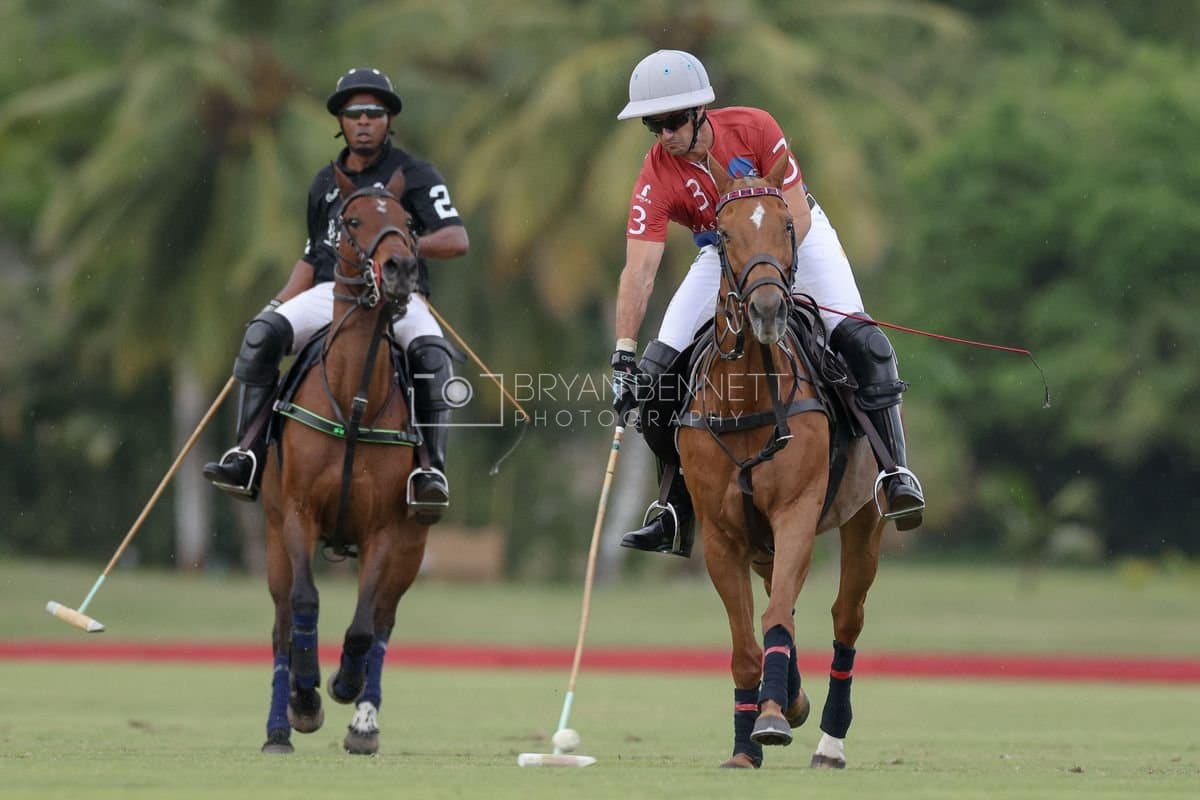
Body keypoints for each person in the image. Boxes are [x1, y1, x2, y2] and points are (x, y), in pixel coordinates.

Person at [610, 50, 924, 557]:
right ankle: (674, 507)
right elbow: (640, 270)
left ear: (697, 114)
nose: (664, 135)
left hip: (795, 238)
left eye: (671, 122)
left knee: (868, 345)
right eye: (653, 125)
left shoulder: (755, 127)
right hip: (723, 252)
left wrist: (775, 283)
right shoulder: (656, 174)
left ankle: (895, 473)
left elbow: (794, 211)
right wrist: (623, 351)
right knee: (654, 378)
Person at [204, 67, 469, 523]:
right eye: (354, 113)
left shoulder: (416, 174)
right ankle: (246, 456)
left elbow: (456, 238)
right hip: (333, 292)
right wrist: (276, 303)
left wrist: (398, 251)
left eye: (374, 112)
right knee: (261, 336)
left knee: (433, 357)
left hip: (399, 295)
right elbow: (311, 256)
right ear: (341, 121)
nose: (364, 120)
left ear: (389, 120)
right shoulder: (324, 183)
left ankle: (429, 472)